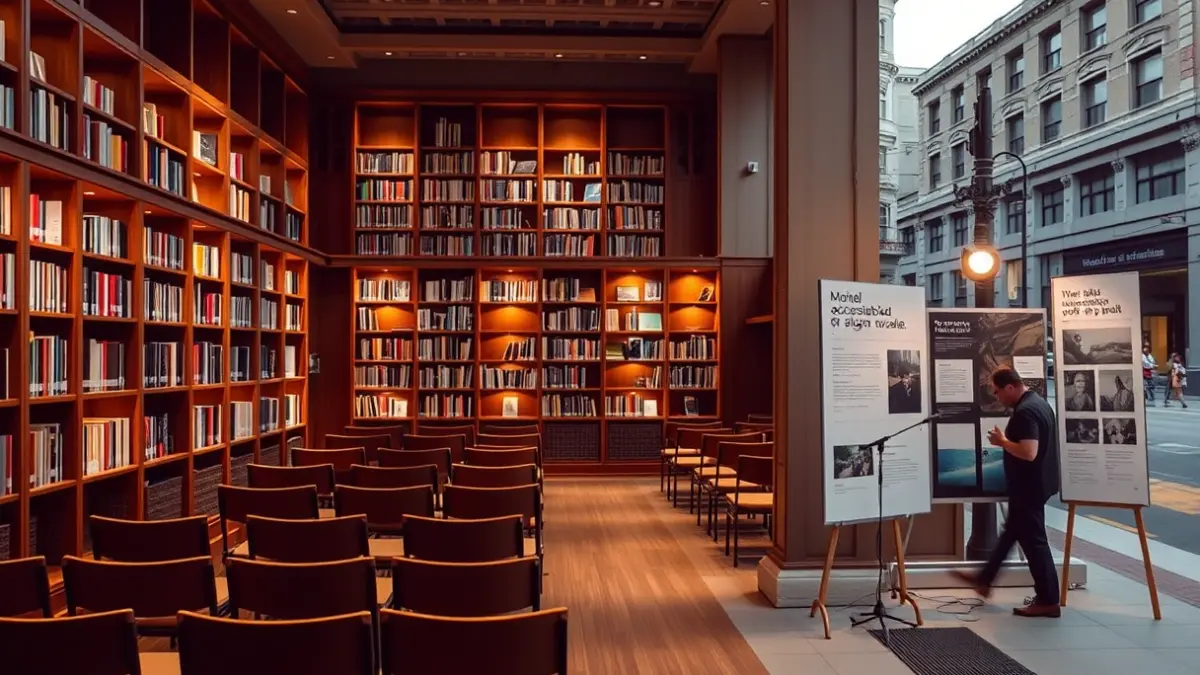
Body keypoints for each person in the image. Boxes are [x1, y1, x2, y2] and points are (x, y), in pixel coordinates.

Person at [952, 367, 1060, 618]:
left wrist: (1002, 443)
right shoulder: (1040, 404)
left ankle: (1048, 600)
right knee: (1012, 533)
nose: (997, 397)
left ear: (1010, 387)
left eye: (998, 392)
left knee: (1035, 543)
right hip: (1035, 486)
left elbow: (1029, 452)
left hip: (1029, 488)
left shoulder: (1025, 412)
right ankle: (984, 580)